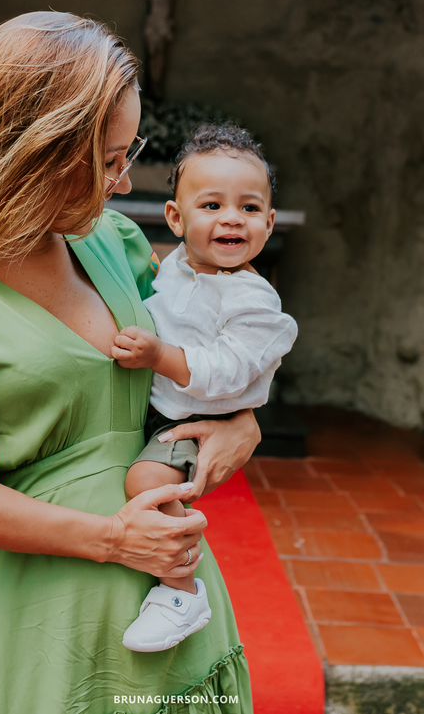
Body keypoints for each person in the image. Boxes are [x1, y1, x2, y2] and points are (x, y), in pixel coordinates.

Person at [0, 11, 259, 713]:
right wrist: (114, 539)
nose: (124, 183)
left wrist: (243, 423)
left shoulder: (115, 242)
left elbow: (197, 365)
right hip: (34, 625)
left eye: (132, 152)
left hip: (174, 610)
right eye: (110, 158)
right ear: (33, 149)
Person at [111, 124, 298, 653]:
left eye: (249, 207)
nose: (232, 217)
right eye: (212, 205)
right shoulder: (174, 267)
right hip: (163, 405)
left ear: (268, 222)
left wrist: (158, 356)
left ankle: (180, 589)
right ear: (176, 218)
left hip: (197, 417)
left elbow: (228, 370)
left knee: (147, 477)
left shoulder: (252, 300)